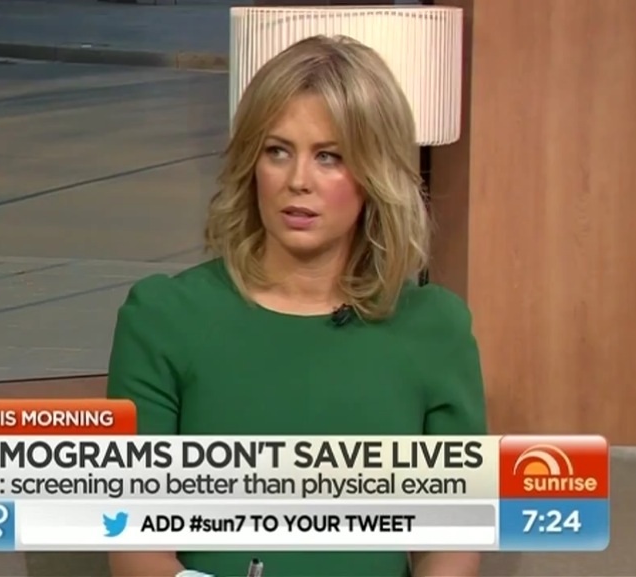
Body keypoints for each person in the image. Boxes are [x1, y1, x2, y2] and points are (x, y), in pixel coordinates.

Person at [106, 35, 486, 577]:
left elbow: (451, 542)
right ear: (251, 164)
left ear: (374, 174)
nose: (298, 181)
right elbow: (135, 548)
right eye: (277, 151)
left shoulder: (434, 330)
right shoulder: (163, 319)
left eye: (329, 157)